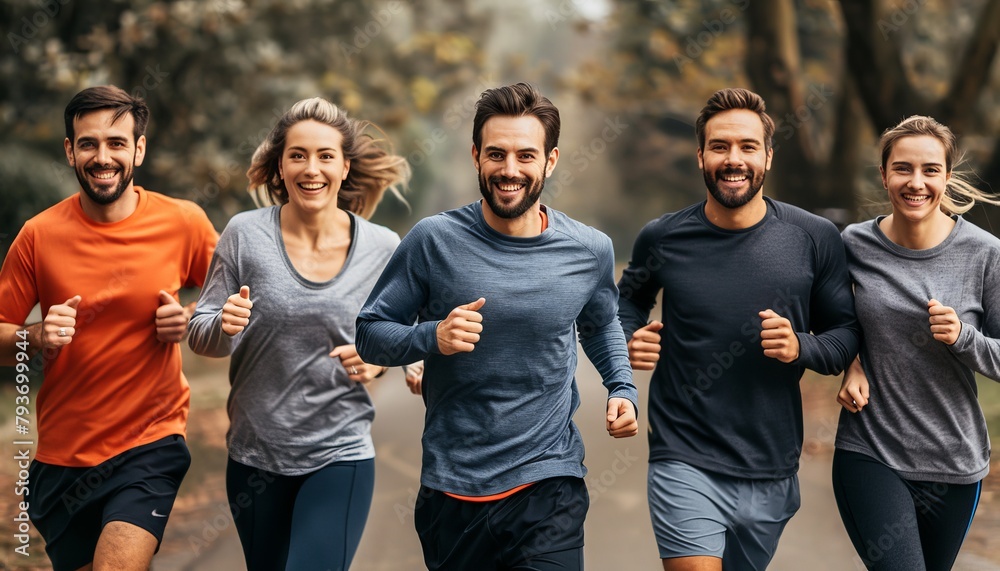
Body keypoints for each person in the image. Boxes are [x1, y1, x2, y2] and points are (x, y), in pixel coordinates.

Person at [355, 82, 639, 571]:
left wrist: (622, 386)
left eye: (525, 155)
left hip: (550, 483)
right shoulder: (433, 241)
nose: (510, 170)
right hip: (454, 488)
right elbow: (370, 333)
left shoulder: (589, 249)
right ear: (475, 156)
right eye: (497, 154)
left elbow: (601, 324)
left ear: (550, 161)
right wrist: (432, 338)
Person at [618, 87, 861, 571]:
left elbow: (845, 334)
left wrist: (801, 348)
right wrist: (629, 336)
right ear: (700, 156)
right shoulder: (663, 237)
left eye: (748, 147)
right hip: (681, 452)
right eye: (720, 146)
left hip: (771, 462)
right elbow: (626, 301)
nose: (734, 159)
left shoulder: (814, 238)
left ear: (768, 157)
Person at [187, 96, 411, 571]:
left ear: (345, 167)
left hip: (341, 451)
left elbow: (398, 335)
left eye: (325, 156)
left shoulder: (382, 247)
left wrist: (379, 360)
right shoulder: (244, 235)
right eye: (298, 155)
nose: (312, 168)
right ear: (280, 167)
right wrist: (224, 326)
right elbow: (200, 332)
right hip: (254, 455)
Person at [0, 85, 217, 571]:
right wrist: (33, 336)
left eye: (117, 143)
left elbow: (235, 295)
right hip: (62, 459)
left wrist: (190, 315)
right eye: (89, 143)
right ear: (69, 151)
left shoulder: (183, 222)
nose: (103, 157)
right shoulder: (38, 235)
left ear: (139, 149)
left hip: (150, 444)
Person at [832, 115, 1000, 570]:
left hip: (954, 463)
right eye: (903, 168)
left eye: (930, 170)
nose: (916, 182)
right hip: (871, 451)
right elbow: (831, 321)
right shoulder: (853, 244)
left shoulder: (984, 254)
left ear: (947, 177)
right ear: (884, 175)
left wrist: (964, 338)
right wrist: (851, 362)